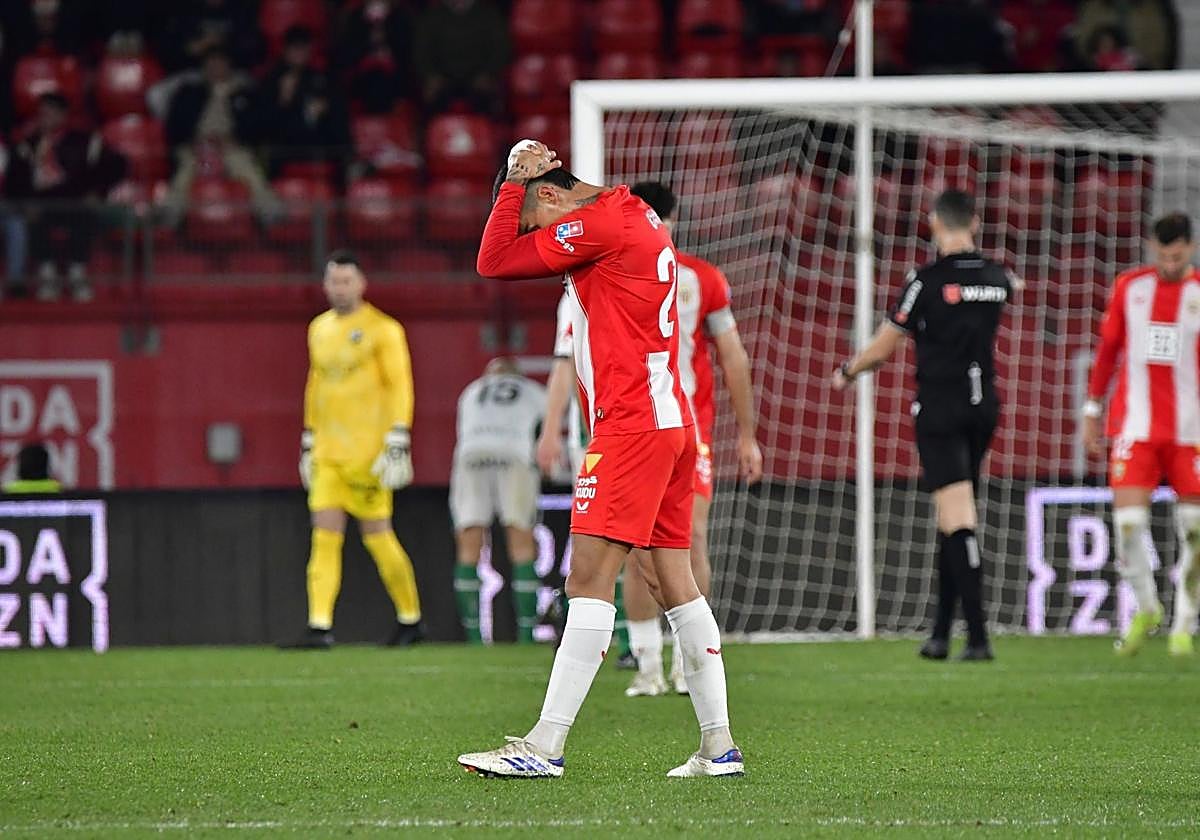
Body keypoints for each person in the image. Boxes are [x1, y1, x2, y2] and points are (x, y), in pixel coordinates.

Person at [458, 141, 742, 779]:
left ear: (553, 196)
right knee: (676, 581)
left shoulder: (599, 223)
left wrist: (512, 183)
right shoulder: (633, 212)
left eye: (539, 219)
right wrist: (523, 185)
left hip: (633, 425)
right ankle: (718, 746)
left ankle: (543, 747)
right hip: (672, 421)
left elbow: (493, 260)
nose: (541, 237)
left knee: (588, 579)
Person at [832, 190, 1015, 662]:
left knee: (958, 519)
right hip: (984, 405)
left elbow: (884, 346)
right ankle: (939, 634)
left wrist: (848, 370)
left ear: (933, 223)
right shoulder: (998, 278)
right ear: (974, 221)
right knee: (951, 515)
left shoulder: (925, 280)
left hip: (941, 407)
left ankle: (977, 638)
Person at [620, 182, 763, 698]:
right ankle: (647, 666)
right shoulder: (613, 272)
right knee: (635, 546)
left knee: (686, 538)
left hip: (689, 428)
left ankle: (687, 662)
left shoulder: (703, 279)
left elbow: (733, 356)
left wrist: (747, 435)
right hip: (631, 426)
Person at [286, 250, 423, 649]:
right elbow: (316, 384)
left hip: (368, 452)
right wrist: (308, 439)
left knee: (377, 535)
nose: (339, 288)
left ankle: (410, 619)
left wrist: (399, 436)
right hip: (328, 451)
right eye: (333, 281)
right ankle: (319, 626)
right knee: (324, 536)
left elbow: (400, 384)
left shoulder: (384, 329)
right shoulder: (318, 328)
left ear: (362, 283)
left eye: (346, 281)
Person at [1082, 212, 1200, 658]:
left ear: (1189, 248)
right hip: (1136, 428)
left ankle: (1184, 626)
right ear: (1153, 248)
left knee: (1195, 534)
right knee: (1128, 526)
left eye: (1178, 255)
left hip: (1191, 432)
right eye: (1163, 255)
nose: (1170, 263)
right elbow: (1108, 351)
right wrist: (1092, 410)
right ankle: (1148, 608)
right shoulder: (1131, 288)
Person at [537, 290, 636, 668]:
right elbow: (566, 363)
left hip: (643, 428)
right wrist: (551, 430)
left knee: (641, 542)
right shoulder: (576, 293)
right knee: (597, 536)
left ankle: (642, 641)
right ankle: (619, 638)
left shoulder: (664, 277)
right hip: (594, 437)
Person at [450, 357, 546, 644]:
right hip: (514, 452)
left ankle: (474, 637)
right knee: (520, 538)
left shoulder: (472, 390)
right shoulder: (531, 389)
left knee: (469, 541)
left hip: (471, 454)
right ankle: (527, 634)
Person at [4, 92, 127, 301]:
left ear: (63, 115)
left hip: (74, 203)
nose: (45, 117)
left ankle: (77, 273)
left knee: (83, 216)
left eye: (50, 112)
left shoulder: (85, 142)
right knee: (32, 219)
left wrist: (97, 192)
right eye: (41, 113)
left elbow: (118, 165)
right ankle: (47, 274)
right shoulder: (26, 146)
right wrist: (25, 204)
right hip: (39, 205)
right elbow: (13, 182)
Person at [163, 47, 282, 226]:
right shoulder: (189, 92)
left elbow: (259, 127)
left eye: (220, 62)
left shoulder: (245, 94)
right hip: (196, 149)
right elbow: (174, 127)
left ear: (229, 66)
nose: (215, 67)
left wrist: (236, 138)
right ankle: (169, 216)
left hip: (231, 148)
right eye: (211, 62)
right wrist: (194, 141)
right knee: (183, 174)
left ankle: (270, 213)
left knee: (249, 171)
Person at [259, 26, 350, 181]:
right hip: (286, 146)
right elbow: (263, 124)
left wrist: (324, 109)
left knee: (339, 144)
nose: (299, 53)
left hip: (318, 143)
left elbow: (337, 115)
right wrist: (283, 100)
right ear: (285, 50)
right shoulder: (271, 80)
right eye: (295, 48)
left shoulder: (321, 78)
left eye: (303, 48)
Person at [412, 0, 509, 115]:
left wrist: (488, 73)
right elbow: (420, 52)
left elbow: (502, 49)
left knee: (487, 101)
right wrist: (431, 76)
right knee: (431, 102)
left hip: (479, 79)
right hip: (442, 80)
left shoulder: (489, 14)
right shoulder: (431, 15)